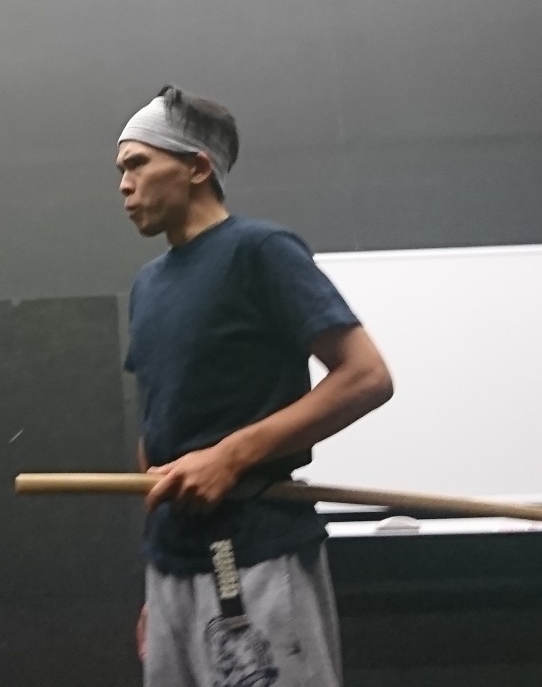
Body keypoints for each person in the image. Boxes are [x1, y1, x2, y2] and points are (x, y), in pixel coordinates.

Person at [116, 85, 394, 687]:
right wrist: (158, 585)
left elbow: (366, 376)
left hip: (253, 551)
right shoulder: (148, 286)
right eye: (121, 171)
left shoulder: (260, 251)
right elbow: (159, 428)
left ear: (197, 168)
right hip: (171, 568)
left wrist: (231, 456)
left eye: (137, 164)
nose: (124, 185)